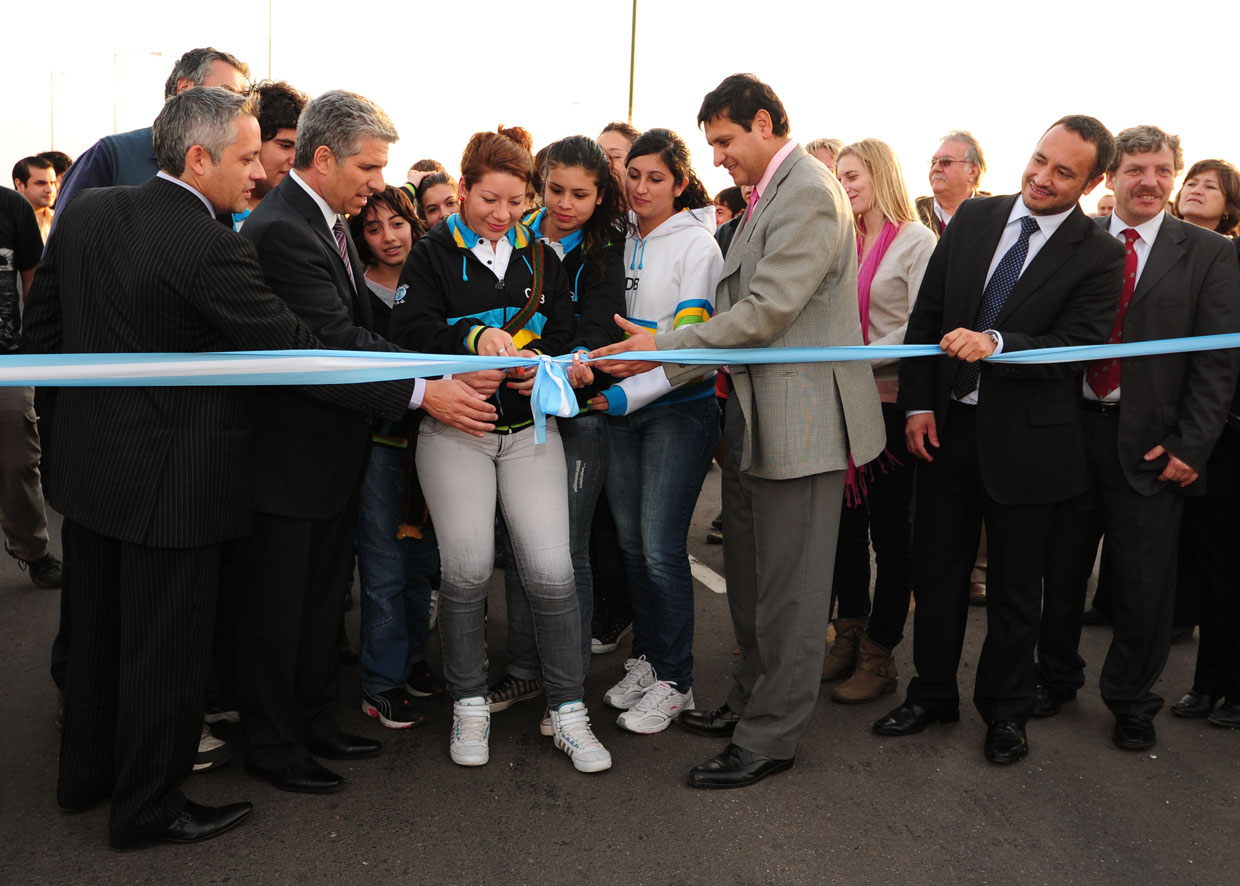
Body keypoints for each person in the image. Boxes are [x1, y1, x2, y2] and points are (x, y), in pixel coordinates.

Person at [20, 86, 425, 851]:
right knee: (167, 654)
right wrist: (422, 390)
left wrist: (77, 446)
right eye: (245, 158)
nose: (260, 173)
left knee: (101, 639)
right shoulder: (211, 245)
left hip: (91, 477)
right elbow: (294, 351)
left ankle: (87, 779)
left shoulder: (89, 211)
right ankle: (147, 807)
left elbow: (46, 347)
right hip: (177, 487)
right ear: (198, 157)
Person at [591, 74, 885, 788]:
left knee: (790, 592)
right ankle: (752, 700)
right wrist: (663, 337)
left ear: (762, 122)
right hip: (760, 420)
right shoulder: (774, 195)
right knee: (753, 582)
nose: (718, 158)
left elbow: (765, 310)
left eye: (723, 141)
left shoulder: (810, 191)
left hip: (804, 422)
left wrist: (661, 345)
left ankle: (771, 737)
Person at [237, 91, 497, 795]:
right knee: (282, 610)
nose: (380, 183)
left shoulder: (326, 223)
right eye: (369, 167)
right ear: (323, 159)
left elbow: (362, 334)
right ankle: (276, 744)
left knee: (323, 604)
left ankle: (314, 724)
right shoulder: (285, 230)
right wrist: (427, 388)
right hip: (290, 460)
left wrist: (437, 367)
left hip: (327, 455)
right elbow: (335, 343)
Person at [872, 116, 1126, 766]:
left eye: (1064, 172)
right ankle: (932, 695)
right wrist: (921, 403)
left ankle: (1006, 713)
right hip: (947, 433)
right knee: (936, 573)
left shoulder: (1099, 254)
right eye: (1039, 159)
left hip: (1032, 449)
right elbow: (929, 320)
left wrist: (999, 345)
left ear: (1093, 181)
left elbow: (1079, 348)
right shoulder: (976, 221)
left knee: (1015, 592)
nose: (1042, 177)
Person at [388, 126, 612, 774]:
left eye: (517, 202)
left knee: (552, 570)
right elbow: (407, 333)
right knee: (465, 567)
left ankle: (569, 710)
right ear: (462, 189)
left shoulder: (541, 255)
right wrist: (474, 339)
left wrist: (554, 365)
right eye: (490, 199)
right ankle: (469, 704)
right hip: (454, 434)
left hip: (528, 433)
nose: (503, 215)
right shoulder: (431, 252)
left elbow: (568, 336)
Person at [1034, 128, 1240, 751]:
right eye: (1136, 169)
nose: (1150, 181)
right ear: (1111, 177)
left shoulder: (1207, 253)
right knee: (1061, 572)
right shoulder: (1074, 239)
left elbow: (1217, 362)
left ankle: (1130, 698)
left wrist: (1190, 447)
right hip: (1070, 435)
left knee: (1145, 585)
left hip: (1153, 447)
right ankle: (1056, 678)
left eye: (1163, 169)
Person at [578, 128, 722, 737]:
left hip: (677, 411)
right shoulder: (617, 237)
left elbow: (688, 348)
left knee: (663, 548)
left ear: (681, 184)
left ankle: (677, 681)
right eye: (632, 175)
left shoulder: (700, 246)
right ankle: (649, 659)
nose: (640, 187)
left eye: (655, 178)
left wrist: (616, 391)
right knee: (633, 546)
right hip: (621, 412)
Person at [485, 136, 628, 725]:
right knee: (522, 548)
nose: (564, 204)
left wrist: (547, 364)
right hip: (517, 417)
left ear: (600, 196)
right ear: (539, 184)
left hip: (580, 418)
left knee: (567, 553)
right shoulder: (517, 237)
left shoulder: (608, 249)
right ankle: (524, 672)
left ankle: (565, 691)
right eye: (555, 190)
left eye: (580, 194)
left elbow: (593, 334)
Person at [822, 139, 935, 705]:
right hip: (841, 400)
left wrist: (854, 359)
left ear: (880, 175)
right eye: (838, 176)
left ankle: (880, 653)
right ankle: (848, 635)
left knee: (890, 535)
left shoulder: (916, 240)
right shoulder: (843, 238)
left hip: (889, 405)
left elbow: (921, 327)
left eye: (852, 175)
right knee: (844, 533)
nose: (843, 185)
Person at [344, 185, 446, 728]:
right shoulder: (356, 292)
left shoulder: (434, 277)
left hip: (436, 442)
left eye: (397, 223)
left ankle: (410, 662)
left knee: (424, 566)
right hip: (383, 447)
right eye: (373, 227)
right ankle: (380, 681)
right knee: (383, 567)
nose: (389, 237)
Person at [52, 48, 249, 221]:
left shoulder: (233, 165)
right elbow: (64, 240)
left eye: (243, 96)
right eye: (227, 92)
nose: (237, 104)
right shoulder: (112, 156)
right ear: (185, 88)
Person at [0, 185, 61, 589]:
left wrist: (34, 351)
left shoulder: (10, 206)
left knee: (20, 460)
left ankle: (33, 551)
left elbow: (33, 281)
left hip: (7, 360)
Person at [244, 80, 308, 214]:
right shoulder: (217, 211)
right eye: (285, 146)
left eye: (300, 149)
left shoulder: (304, 215)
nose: (295, 160)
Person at [915, 130, 985, 238]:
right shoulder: (913, 213)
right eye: (933, 163)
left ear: (972, 172)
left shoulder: (996, 214)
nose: (936, 168)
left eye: (946, 162)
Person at [1172, 159, 1240, 236]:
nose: (1195, 191)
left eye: (1210, 187)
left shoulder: (1230, 247)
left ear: (1229, 206)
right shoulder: (1158, 236)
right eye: (1191, 184)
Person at [12, 156, 57, 241]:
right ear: (20, 185)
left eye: (52, 183)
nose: (49, 190)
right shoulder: (8, 221)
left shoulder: (61, 219)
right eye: (41, 183)